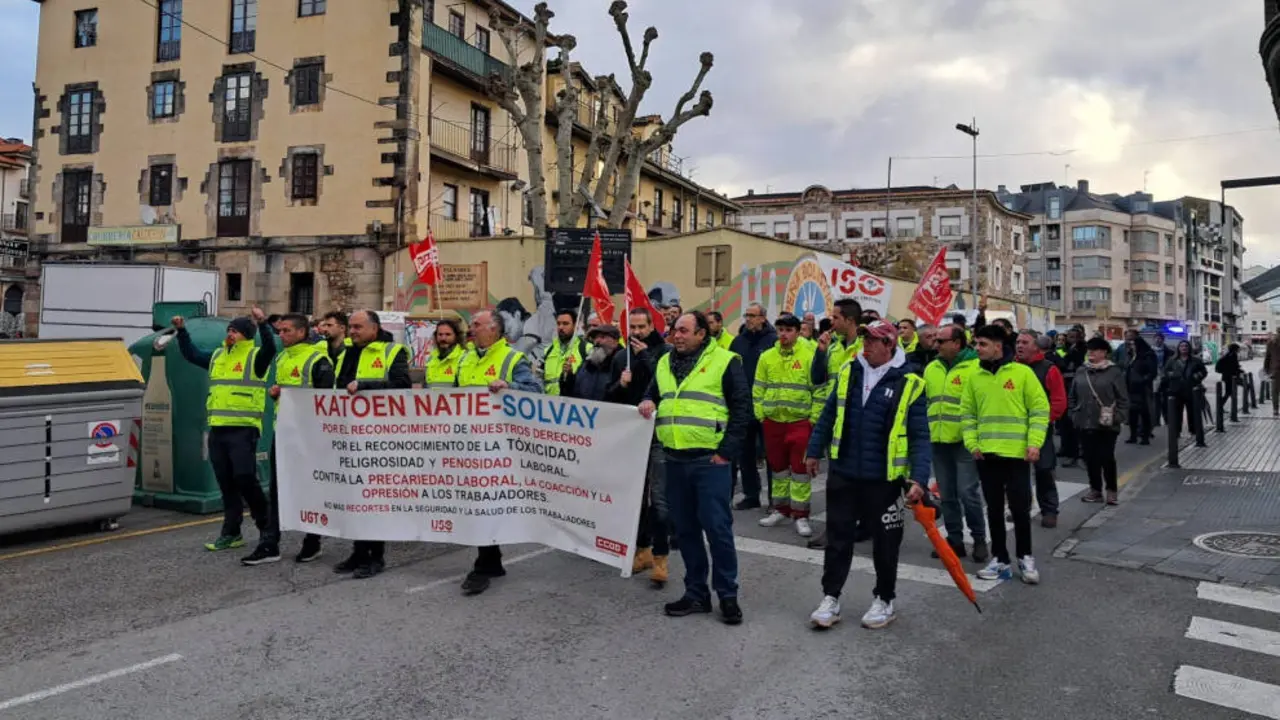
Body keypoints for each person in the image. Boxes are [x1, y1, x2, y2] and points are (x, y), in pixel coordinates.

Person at [804, 320, 930, 629]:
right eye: (864, 339)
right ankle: (830, 598)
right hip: (844, 471)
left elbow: (920, 436)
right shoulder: (850, 371)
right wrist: (813, 449)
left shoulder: (909, 382)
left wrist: (919, 478)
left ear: (889, 345)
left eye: (873, 340)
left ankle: (884, 599)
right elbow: (829, 412)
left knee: (885, 544)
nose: (866, 345)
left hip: (884, 479)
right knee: (838, 538)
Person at [639, 311, 750, 625]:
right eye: (675, 330)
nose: (677, 335)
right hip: (674, 459)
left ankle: (727, 595)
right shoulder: (663, 362)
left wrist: (725, 453)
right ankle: (696, 593)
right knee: (686, 531)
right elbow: (653, 392)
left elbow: (742, 409)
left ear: (702, 334)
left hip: (709, 461)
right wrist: (647, 401)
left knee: (717, 531)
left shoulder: (727, 361)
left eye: (685, 330)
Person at [173, 307, 276, 552]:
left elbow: (271, 348)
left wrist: (263, 323)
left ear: (247, 336)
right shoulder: (218, 355)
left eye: (237, 331)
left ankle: (266, 528)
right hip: (218, 430)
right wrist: (181, 331)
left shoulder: (255, 357)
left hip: (243, 429)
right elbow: (191, 355)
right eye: (229, 330)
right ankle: (231, 533)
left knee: (245, 478)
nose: (231, 334)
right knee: (226, 484)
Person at [456, 310, 542, 595]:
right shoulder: (466, 357)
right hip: (467, 441)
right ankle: (491, 559)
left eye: (477, 325)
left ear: (494, 330)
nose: (472, 328)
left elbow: (535, 392)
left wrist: (510, 386)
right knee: (475, 501)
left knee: (487, 500)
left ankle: (485, 563)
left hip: (498, 445)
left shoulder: (512, 358)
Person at [962, 325, 1050, 585]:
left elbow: (1039, 410)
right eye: (976, 344)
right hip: (986, 454)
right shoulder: (974, 377)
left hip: (1017, 455)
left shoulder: (1022, 373)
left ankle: (1025, 557)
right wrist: (972, 443)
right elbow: (967, 413)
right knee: (994, 510)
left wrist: (1034, 443)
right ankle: (1000, 559)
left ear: (998, 346)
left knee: (1020, 510)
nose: (977, 349)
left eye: (982, 344)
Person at [245, 313, 335, 566]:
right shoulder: (283, 357)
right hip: (283, 434)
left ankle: (313, 541)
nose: (281, 335)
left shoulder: (319, 360)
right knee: (277, 490)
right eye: (280, 330)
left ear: (302, 333)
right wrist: (277, 394)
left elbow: (326, 401)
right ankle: (269, 543)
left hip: (310, 437)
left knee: (310, 489)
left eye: (286, 331)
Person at [329, 310, 410, 578]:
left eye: (358, 327)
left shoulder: (392, 351)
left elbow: (402, 387)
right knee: (354, 497)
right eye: (350, 327)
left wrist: (365, 385)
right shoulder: (346, 353)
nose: (352, 331)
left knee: (374, 501)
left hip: (379, 440)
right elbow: (337, 388)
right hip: (350, 435)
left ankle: (376, 557)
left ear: (374, 329)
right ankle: (358, 551)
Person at [923, 324, 987, 562]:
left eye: (941, 341)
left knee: (968, 493)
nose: (936, 344)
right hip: (939, 440)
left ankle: (979, 539)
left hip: (965, 441)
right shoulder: (932, 368)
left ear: (957, 344)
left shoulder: (975, 368)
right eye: (935, 341)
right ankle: (954, 540)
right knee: (947, 494)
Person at [753, 315, 821, 538]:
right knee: (778, 469)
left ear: (798, 332)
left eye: (788, 330)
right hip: (773, 422)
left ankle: (801, 515)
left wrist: (813, 419)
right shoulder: (767, 357)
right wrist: (761, 415)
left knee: (800, 471)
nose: (783, 334)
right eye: (780, 330)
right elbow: (758, 388)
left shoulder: (810, 355)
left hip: (800, 422)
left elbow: (819, 390)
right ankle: (780, 509)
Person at [621, 308, 673, 587]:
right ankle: (642, 551)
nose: (637, 333)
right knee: (636, 501)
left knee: (660, 502)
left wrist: (645, 356)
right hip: (631, 436)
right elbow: (611, 395)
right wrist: (620, 383)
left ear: (652, 326)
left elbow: (666, 383)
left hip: (658, 437)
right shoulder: (623, 354)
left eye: (642, 327)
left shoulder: (665, 351)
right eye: (633, 327)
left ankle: (661, 556)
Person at [728, 303, 777, 510]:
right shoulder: (738, 342)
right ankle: (751, 494)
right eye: (746, 315)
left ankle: (776, 499)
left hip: (767, 405)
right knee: (745, 454)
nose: (748, 319)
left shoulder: (773, 341)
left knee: (771, 455)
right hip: (743, 406)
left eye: (752, 316)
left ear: (763, 318)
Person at [1015, 332, 1067, 528]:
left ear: (1036, 347)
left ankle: (1050, 510)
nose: (1019, 346)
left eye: (1025, 342)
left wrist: (1043, 422)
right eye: (1018, 342)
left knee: (1044, 469)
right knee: (1018, 473)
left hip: (1040, 428)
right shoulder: (1011, 368)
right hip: (1016, 428)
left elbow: (1059, 402)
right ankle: (1022, 508)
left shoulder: (1048, 369)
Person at [1072, 338, 1128, 505]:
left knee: (1106, 457)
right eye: (1089, 350)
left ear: (1104, 352)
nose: (1091, 353)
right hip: (1084, 421)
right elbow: (1072, 395)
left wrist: (1117, 418)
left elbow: (1123, 399)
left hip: (1107, 424)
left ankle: (1111, 490)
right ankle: (1095, 490)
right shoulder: (1082, 371)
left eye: (1095, 350)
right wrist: (1073, 413)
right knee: (1090, 458)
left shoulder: (1114, 372)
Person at [562, 324, 622, 401]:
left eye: (602, 337)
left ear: (615, 342)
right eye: (595, 338)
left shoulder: (622, 366)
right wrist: (568, 377)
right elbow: (572, 394)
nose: (597, 341)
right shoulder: (585, 366)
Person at [1164, 341, 1207, 442]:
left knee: (1192, 412)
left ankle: (1194, 431)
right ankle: (1176, 431)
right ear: (1178, 348)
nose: (1184, 348)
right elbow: (1166, 372)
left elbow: (1204, 371)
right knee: (1177, 412)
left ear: (1189, 348)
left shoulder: (1196, 360)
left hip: (1192, 390)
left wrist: (1197, 376)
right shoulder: (1172, 360)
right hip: (1176, 390)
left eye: (1186, 346)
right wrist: (1173, 375)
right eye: (1182, 346)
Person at [1057, 328, 1087, 467]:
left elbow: (1082, 366)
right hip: (1065, 388)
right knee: (1066, 423)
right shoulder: (1064, 349)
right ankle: (1069, 451)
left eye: (1074, 336)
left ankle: (1081, 455)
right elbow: (1060, 364)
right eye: (1069, 336)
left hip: (1079, 389)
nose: (1071, 339)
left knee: (1078, 424)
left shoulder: (1083, 349)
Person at [543, 310, 588, 396]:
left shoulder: (585, 348)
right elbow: (539, 379)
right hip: (549, 403)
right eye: (558, 324)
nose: (560, 327)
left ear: (575, 326)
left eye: (565, 323)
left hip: (574, 404)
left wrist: (571, 375)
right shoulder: (548, 350)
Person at [425, 318, 465, 386]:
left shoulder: (464, 357)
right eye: (440, 334)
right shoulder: (431, 359)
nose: (443, 338)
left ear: (456, 336)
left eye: (448, 334)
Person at [1264, 329, 1280, 417]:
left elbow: (1267, 358)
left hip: (1275, 370)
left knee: (1275, 391)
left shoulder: (1271, 343)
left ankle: (1275, 410)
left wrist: (1266, 370)